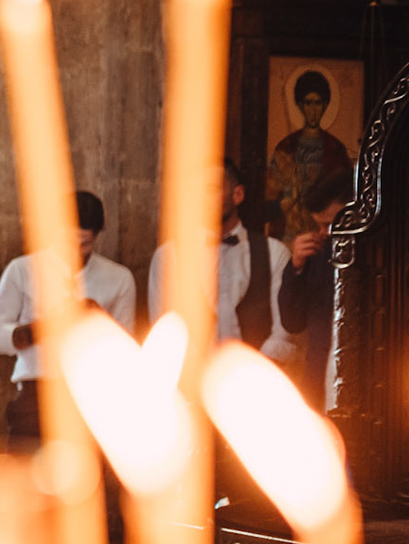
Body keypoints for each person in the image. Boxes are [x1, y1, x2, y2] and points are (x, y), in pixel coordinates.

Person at [0, 190, 137, 442]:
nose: (75, 251)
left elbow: (127, 355)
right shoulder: (22, 270)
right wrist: (42, 327)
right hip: (35, 397)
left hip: (94, 399)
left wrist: (101, 323)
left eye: (84, 244)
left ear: (97, 237)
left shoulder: (119, 278)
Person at [147, 159, 297, 363]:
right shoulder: (170, 256)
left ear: (238, 194)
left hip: (257, 374)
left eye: (210, 189)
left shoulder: (274, 253)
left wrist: (250, 370)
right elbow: (164, 329)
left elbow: (283, 332)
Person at [277, 167, 353, 410]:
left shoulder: (384, 255)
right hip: (320, 380)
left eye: (330, 224)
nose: (323, 233)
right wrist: (297, 267)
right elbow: (292, 322)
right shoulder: (319, 253)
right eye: (319, 225)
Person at [268, 69, 353, 241]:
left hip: (324, 234)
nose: (313, 111)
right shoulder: (286, 147)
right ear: (300, 105)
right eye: (308, 103)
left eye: (318, 103)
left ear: (325, 105)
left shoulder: (334, 147)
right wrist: (290, 192)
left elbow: (345, 192)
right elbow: (270, 196)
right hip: (289, 231)